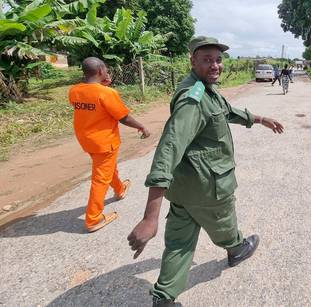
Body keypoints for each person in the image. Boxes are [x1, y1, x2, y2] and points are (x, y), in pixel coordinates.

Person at [127, 36, 285, 307]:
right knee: (223, 223)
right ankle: (236, 249)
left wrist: (259, 119)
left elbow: (225, 111)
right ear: (193, 61)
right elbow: (169, 149)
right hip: (209, 187)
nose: (216, 65)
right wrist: (149, 217)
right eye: (207, 59)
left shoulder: (202, 88)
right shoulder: (193, 99)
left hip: (184, 189)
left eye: (218, 59)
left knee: (178, 243)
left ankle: (163, 298)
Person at [69, 57, 150, 233]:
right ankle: (93, 219)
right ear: (100, 71)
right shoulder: (107, 93)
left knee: (105, 168)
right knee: (100, 179)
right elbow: (123, 117)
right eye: (106, 70)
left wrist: (102, 85)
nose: (107, 73)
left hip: (86, 140)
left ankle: (120, 189)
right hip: (104, 142)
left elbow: (91, 103)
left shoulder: (75, 90)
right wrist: (142, 127)